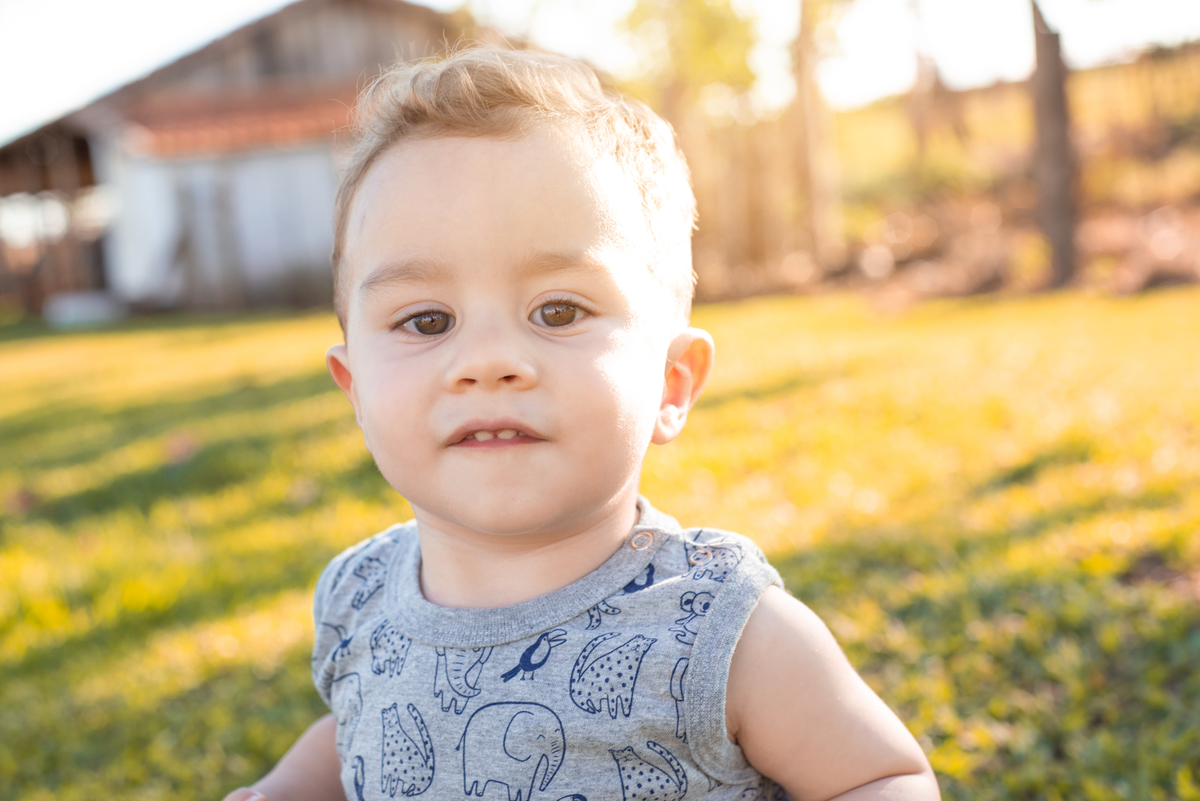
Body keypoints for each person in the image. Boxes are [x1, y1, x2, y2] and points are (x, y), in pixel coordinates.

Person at [223, 46, 939, 801]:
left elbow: (881, 775)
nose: (488, 360)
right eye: (427, 320)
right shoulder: (359, 595)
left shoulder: (717, 628)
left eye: (558, 311)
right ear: (356, 391)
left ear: (671, 382)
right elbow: (359, 722)